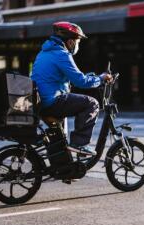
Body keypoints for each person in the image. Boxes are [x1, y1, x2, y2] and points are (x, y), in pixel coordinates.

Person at [31, 21, 112, 155]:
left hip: (41, 102)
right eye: (77, 42)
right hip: (52, 101)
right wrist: (101, 78)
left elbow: (67, 78)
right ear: (70, 42)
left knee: (58, 138)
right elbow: (81, 82)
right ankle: (80, 143)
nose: (77, 45)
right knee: (91, 103)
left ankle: (61, 169)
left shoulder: (44, 52)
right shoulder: (62, 54)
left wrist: (93, 77)